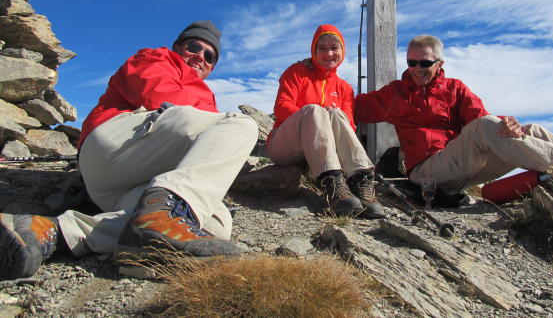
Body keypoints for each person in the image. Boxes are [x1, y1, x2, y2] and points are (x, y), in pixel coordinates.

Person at [0, 20, 258, 280]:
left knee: (214, 223)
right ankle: (163, 216)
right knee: (241, 125)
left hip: (131, 184)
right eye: (194, 47)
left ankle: (52, 231)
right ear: (178, 47)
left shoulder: (207, 96)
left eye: (209, 56)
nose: (200, 56)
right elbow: (159, 96)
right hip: (115, 146)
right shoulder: (157, 58)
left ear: (212, 67)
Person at [355, 35, 553, 197]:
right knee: (486, 126)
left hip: (465, 169)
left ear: (439, 64)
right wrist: (331, 86)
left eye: (425, 63)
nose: (417, 68)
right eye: (412, 62)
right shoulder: (396, 93)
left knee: (532, 130)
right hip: (428, 173)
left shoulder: (455, 88)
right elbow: (355, 106)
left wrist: (507, 124)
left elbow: (481, 119)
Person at [267, 24, 384, 218]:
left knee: (337, 114)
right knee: (316, 111)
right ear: (313, 50)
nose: (329, 53)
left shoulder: (344, 88)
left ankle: (360, 179)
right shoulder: (297, 72)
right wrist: (317, 121)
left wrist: (326, 122)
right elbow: (281, 107)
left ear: (342, 51)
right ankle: (332, 185)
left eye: (334, 48)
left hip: (322, 151)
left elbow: (349, 124)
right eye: (322, 48)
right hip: (286, 147)